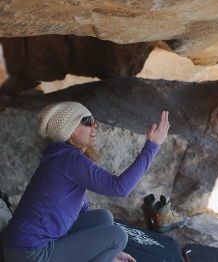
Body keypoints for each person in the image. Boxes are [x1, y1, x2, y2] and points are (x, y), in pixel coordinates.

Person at [3, 102, 170, 262]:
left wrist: (108, 252)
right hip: (31, 254)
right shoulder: (69, 159)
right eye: (87, 121)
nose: (94, 125)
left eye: (93, 121)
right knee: (118, 235)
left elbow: (83, 211)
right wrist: (152, 146)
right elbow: (120, 188)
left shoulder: (62, 157)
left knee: (102, 218)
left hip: (23, 247)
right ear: (69, 129)